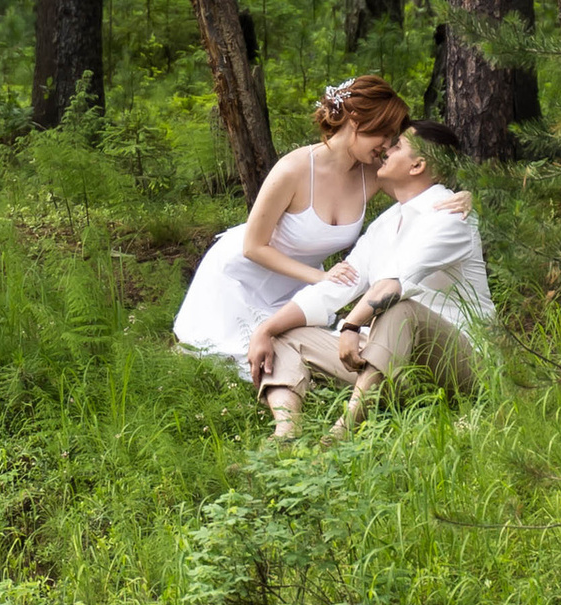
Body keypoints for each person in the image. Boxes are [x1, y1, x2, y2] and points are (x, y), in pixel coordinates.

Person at [245, 125, 494, 438]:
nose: (386, 150)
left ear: (418, 165)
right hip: (393, 362)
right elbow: (337, 286)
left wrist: (351, 325)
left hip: (458, 365)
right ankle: (286, 434)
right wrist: (265, 329)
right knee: (284, 335)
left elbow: (396, 284)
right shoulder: (387, 223)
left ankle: (341, 436)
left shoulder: (450, 214)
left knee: (399, 309)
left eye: (398, 146)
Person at [173, 75, 413, 379]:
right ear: (355, 122)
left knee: (301, 361)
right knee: (237, 367)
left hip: (295, 285)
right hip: (242, 277)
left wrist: (458, 198)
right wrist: (320, 277)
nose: (388, 145)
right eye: (385, 133)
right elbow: (253, 247)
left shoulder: (372, 173)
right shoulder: (295, 169)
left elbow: (417, 195)